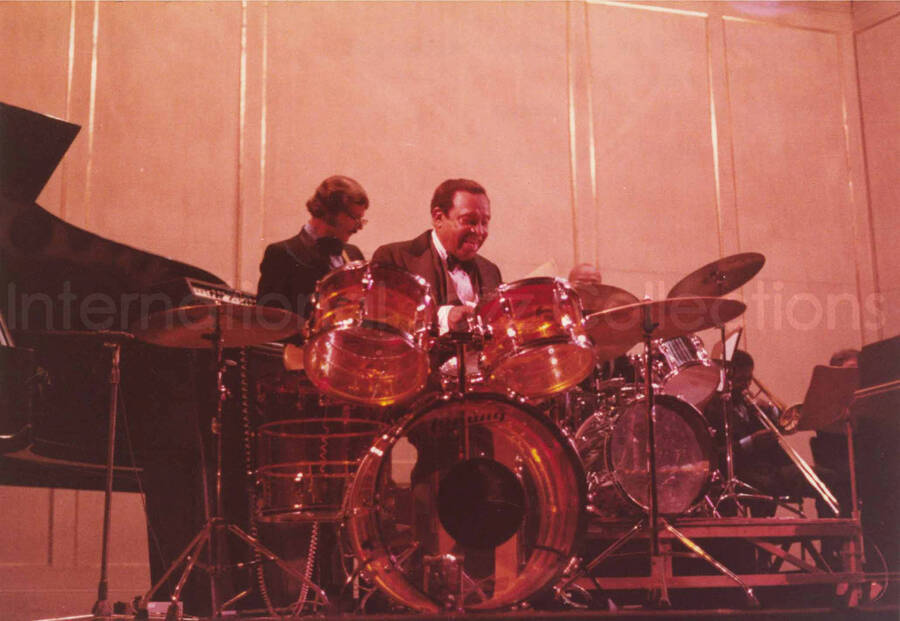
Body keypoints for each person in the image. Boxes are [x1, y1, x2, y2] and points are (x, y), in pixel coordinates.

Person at [372, 178, 501, 333]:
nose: (479, 231)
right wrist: (444, 317)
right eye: (469, 221)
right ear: (438, 217)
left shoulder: (491, 271)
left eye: (484, 223)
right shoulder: (394, 258)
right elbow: (383, 321)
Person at [257, 175, 368, 317]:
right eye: (355, 218)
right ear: (331, 212)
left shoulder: (354, 254)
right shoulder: (281, 254)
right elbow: (268, 323)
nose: (359, 227)